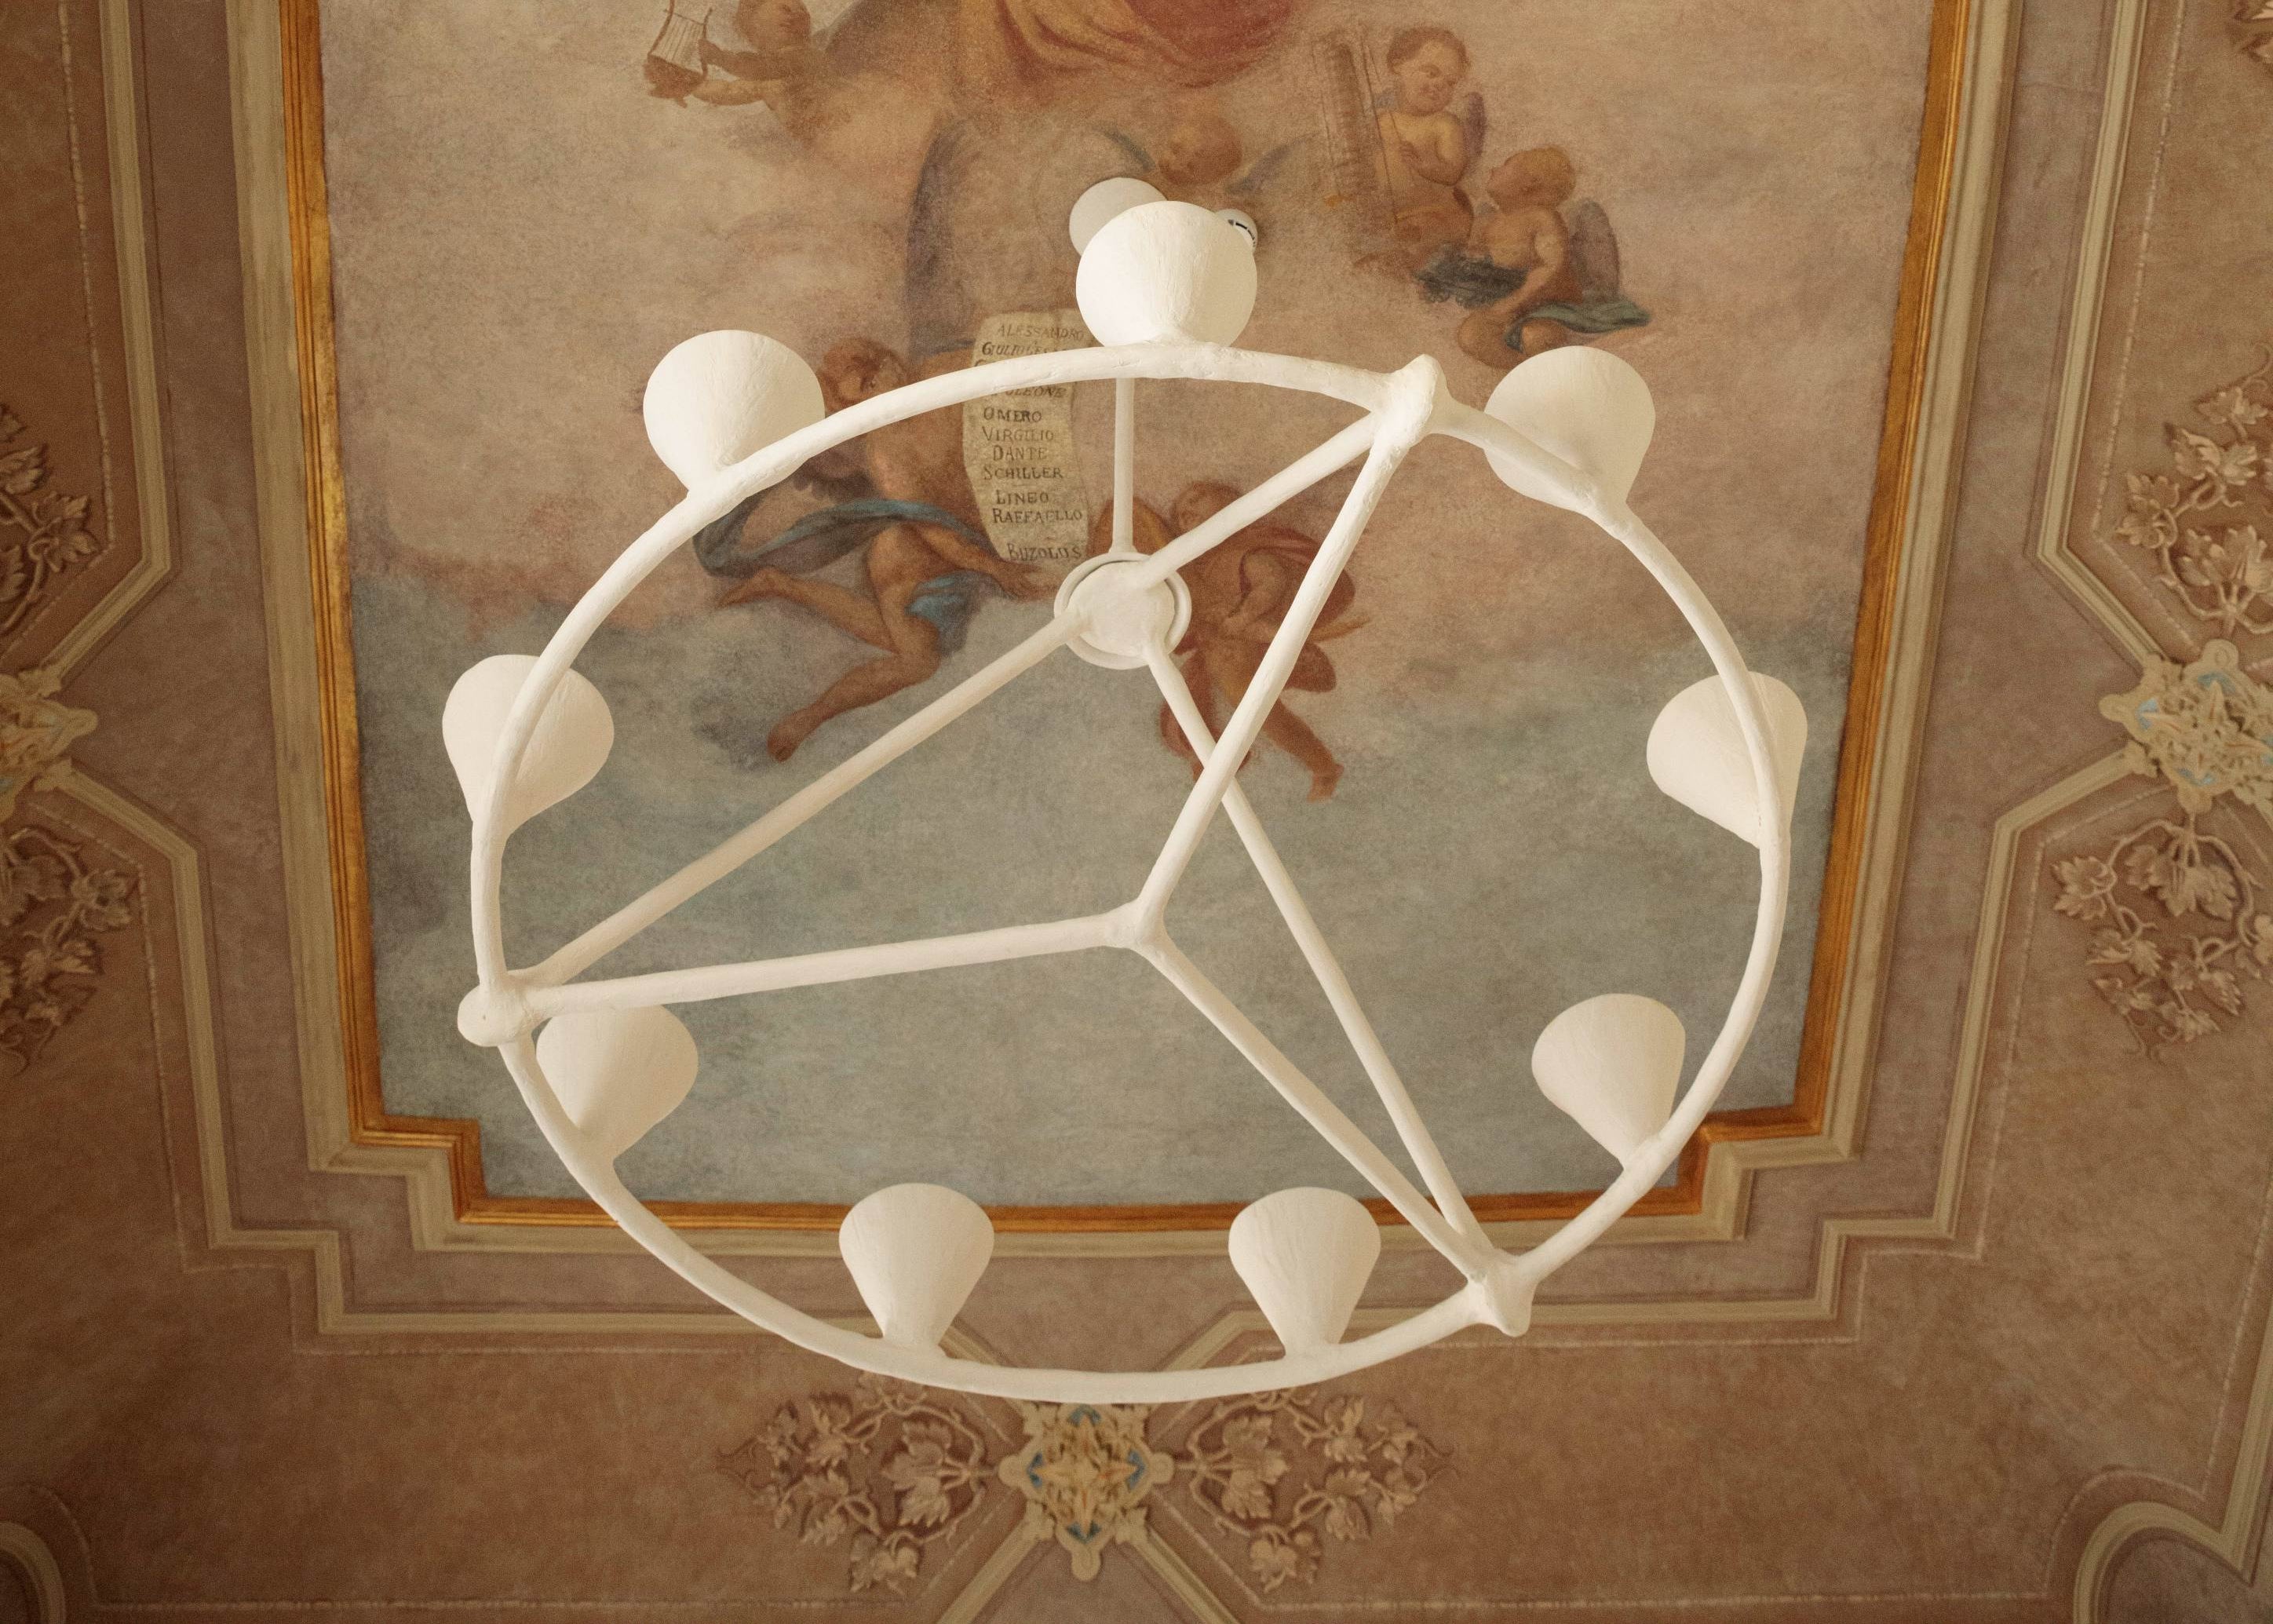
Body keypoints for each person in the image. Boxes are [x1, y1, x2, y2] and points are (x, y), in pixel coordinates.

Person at [710, 339, 1054, 761]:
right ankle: (809, 717)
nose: (881, 387)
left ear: (889, 359)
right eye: (865, 388)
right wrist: (994, 568)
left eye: (877, 373)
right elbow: (927, 525)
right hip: (910, 558)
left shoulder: (944, 369)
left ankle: (783, 586)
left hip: (964, 542)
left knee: (904, 645)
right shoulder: (886, 451)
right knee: (918, 662)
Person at [1093, 481, 1362, 801]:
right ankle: (1214, 763)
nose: (1184, 510)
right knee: (1229, 705)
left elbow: (1269, 586)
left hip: (1219, 631)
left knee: (1253, 709)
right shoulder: (1212, 562)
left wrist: (1243, 618)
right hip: (1212, 623)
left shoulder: (1239, 555)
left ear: (1232, 505)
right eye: (1179, 513)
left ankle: (1318, 766)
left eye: (1197, 498)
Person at [1414, 145, 1651, 369]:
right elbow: (1471, 262)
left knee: (1536, 336)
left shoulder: (1542, 218)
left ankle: (1552, 377)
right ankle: (1520, 372)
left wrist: (1513, 303)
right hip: (1510, 306)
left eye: (1507, 164)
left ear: (1530, 183)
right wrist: (1442, 275)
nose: (1494, 169)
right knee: (1471, 335)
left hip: (1554, 306)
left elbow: (1550, 269)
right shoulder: (1487, 221)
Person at [1375, 26, 1477, 266]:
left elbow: (1452, 172)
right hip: (1395, 220)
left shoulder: (1444, 124)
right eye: (1431, 73)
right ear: (1398, 66)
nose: (1440, 85)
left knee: (1415, 250)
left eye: (1451, 83)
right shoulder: (1379, 121)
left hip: (1437, 216)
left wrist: (1423, 166)